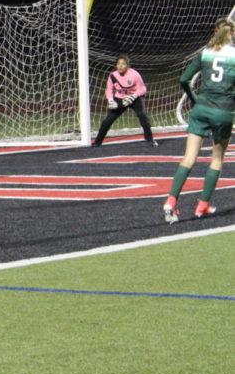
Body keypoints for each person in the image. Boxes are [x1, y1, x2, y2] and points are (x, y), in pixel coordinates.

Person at [163, 18, 235, 224]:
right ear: (233, 33)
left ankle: (171, 200)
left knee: (188, 158)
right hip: (222, 111)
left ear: (215, 31)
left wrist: (195, 100)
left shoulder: (205, 52)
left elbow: (183, 79)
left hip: (200, 109)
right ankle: (202, 204)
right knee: (217, 159)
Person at [91, 54, 158, 147]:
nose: (120, 66)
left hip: (135, 98)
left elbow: (143, 89)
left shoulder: (134, 74)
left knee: (142, 116)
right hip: (119, 99)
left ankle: (150, 140)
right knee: (108, 120)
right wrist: (110, 100)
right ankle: (97, 142)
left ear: (127, 65)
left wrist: (133, 96)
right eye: (118, 64)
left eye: (123, 64)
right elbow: (109, 90)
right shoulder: (112, 76)